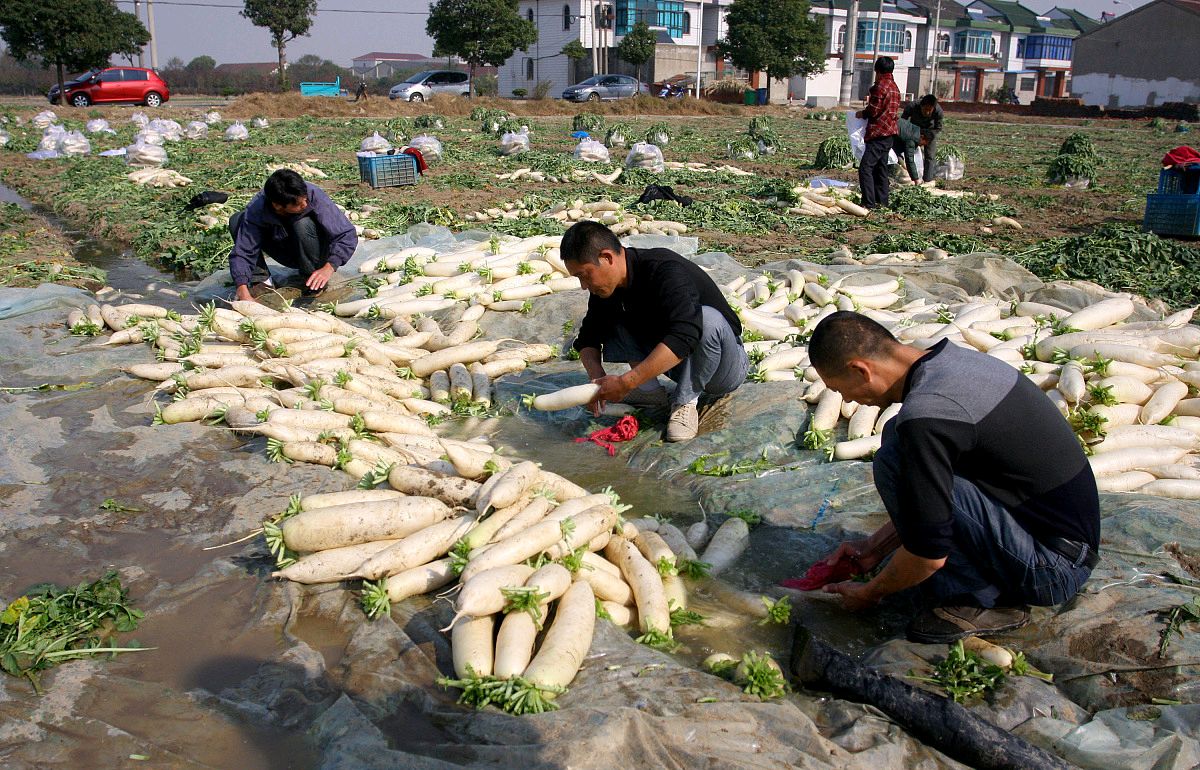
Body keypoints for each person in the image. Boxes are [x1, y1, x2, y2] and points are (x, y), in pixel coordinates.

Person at [808, 312, 1100, 643]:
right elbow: (936, 495)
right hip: (1058, 539)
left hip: (1054, 570)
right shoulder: (950, 361)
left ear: (860, 370)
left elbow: (928, 555)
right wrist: (874, 548)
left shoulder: (928, 416)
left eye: (840, 389)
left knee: (896, 460)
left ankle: (983, 600)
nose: (846, 400)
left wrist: (872, 592)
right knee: (896, 438)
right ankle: (985, 581)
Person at [563, 220, 749, 442]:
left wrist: (625, 382)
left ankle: (685, 401)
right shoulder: (607, 289)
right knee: (615, 314)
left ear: (607, 257)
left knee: (707, 319)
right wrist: (597, 381)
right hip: (678, 364)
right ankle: (649, 391)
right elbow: (588, 338)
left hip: (722, 366)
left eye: (584, 275)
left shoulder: (664, 269)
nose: (584, 285)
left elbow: (684, 335)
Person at [229, 169, 358, 302]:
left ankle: (312, 279)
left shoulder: (312, 193)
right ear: (278, 206)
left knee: (303, 223)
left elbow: (346, 234)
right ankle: (263, 282)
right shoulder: (258, 208)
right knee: (237, 220)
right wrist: (242, 289)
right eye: (299, 204)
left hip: (316, 250)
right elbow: (243, 251)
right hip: (285, 248)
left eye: (305, 200)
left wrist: (329, 266)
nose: (305, 204)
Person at [856, 56, 902, 209]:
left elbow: (874, 110)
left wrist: (862, 113)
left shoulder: (880, 86)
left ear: (878, 71)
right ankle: (882, 202)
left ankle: (869, 203)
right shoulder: (895, 87)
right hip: (890, 134)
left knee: (866, 168)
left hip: (878, 133)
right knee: (881, 168)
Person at [901, 95, 944, 182]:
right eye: (925, 110)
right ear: (921, 106)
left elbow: (938, 128)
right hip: (914, 129)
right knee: (908, 152)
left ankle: (927, 179)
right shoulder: (912, 106)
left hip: (929, 132)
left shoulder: (938, 112)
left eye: (930, 111)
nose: (927, 113)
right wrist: (908, 134)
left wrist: (928, 137)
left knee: (930, 156)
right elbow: (903, 121)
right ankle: (908, 176)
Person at [892, 117, 932, 186]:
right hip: (887, 134)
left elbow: (897, 148)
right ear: (922, 137)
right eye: (923, 143)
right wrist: (916, 180)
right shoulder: (912, 139)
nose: (921, 146)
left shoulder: (914, 129)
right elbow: (909, 160)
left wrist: (902, 163)